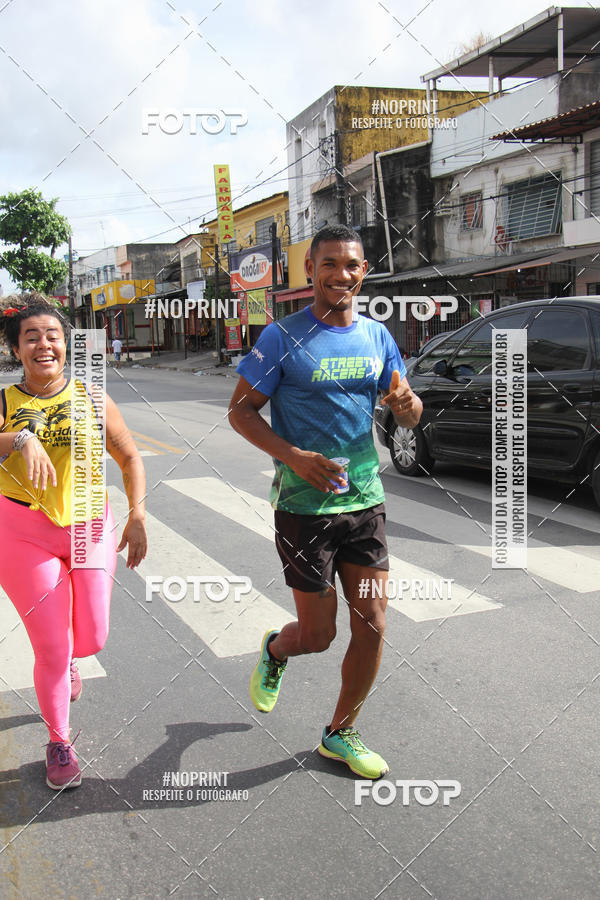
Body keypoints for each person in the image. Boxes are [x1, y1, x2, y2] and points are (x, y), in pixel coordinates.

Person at [228, 225, 423, 779]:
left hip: (365, 501)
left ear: (365, 272)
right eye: (330, 263)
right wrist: (294, 456)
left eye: (353, 264)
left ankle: (340, 733)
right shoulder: (281, 338)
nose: (342, 274)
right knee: (318, 635)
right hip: (303, 507)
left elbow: (408, 412)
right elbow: (241, 411)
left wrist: (407, 403)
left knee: (374, 623)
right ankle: (276, 650)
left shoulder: (377, 337)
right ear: (309, 268)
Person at [0, 296, 147, 790]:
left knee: (93, 638)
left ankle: (71, 660)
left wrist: (139, 512)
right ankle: (59, 740)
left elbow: (129, 456)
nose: (44, 344)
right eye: (31, 337)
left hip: (88, 525)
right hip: (23, 531)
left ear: (67, 344)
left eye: (53, 335)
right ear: (16, 349)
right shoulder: (5, 402)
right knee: (51, 643)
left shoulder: (91, 395)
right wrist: (21, 438)